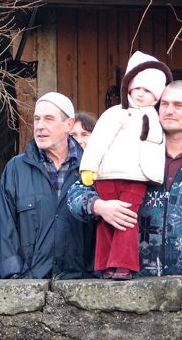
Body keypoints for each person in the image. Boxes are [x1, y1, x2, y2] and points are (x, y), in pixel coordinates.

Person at [68, 80, 182, 277]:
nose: (169, 110)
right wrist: (99, 206)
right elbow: (75, 194)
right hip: (131, 280)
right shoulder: (128, 146)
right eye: (164, 104)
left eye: (178, 105)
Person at [0, 92, 95, 279]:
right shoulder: (16, 168)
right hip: (28, 284)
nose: (40, 126)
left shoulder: (90, 166)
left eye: (49, 119)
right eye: (37, 119)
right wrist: (14, 274)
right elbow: (1, 225)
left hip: (81, 284)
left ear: (68, 125)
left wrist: (92, 273)